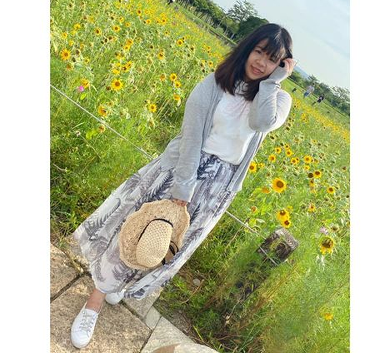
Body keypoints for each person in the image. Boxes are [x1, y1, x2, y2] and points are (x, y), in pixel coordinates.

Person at [70, 23, 295, 348]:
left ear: (282, 64)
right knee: (135, 230)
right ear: (248, 49)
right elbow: (191, 139)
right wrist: (182, 191)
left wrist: (273, 83)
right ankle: (94, 303)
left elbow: (261, 122)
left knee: (162, 247)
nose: (262, 62)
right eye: (259, 52)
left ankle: (119, 286)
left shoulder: (277, 99)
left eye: (272, 59)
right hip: (179, 173)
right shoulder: (215, 84)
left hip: (216, 192)